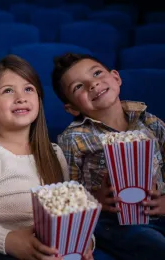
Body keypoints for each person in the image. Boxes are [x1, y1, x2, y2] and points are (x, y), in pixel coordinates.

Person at [0, 55, 93, 260]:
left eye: (28, 89)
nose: (21, 97)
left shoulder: (53, 152)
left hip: (51, 248)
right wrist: (7, 240)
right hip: (2, 248)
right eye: (8, 90)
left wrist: (85, 241)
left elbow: (72, 207)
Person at [52, 53, 165, 260]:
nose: (93, 84)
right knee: (155, 245)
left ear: (116, 78)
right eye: (78, 87)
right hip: (112, 220)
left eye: (97, 73)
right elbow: (66, 193)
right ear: (72, 108)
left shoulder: (150, 122)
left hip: (158, 209)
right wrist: (94, 199)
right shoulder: (73, 138)